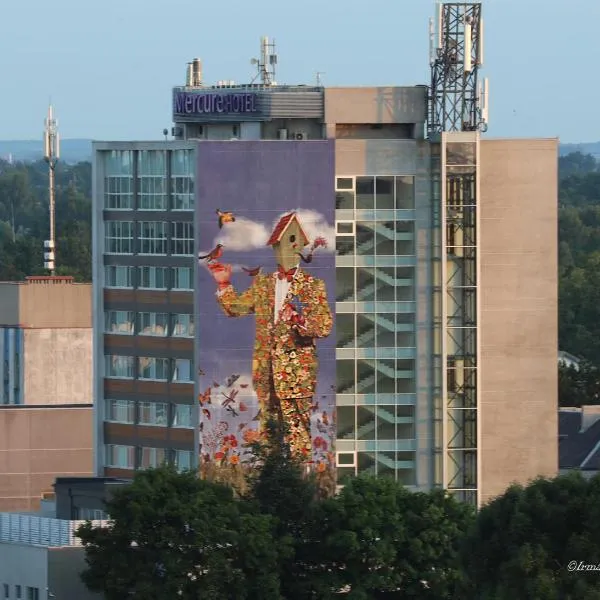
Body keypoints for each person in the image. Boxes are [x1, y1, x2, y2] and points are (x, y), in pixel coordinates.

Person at [207, 212, 333, 463]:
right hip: (266, 373)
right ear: (275, 248)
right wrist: (223, 284)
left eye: (292, 241)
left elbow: (324, 326)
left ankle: (301, 482)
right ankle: (270, 480)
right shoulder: (263, 284)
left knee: (297, 429)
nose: (287, 248)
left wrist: (299, 321)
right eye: (281, 243)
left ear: (299, 246)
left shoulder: (311, 286)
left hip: (297, 374)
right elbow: (236, 308)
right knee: (269, 432)